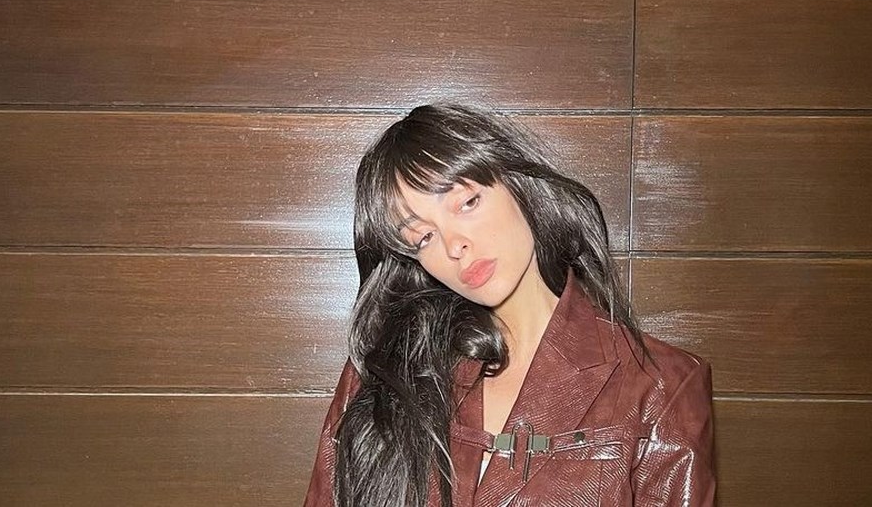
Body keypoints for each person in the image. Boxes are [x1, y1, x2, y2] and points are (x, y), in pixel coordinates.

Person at [303, 103, 715, 506]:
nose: (454, 246)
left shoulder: (660, 385)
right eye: (423, 238)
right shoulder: (382, 374)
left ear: (517, 183)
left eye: (467, 202)